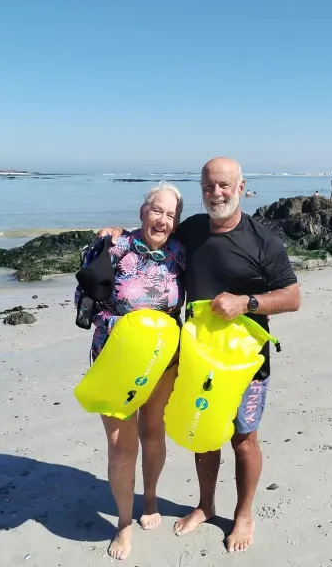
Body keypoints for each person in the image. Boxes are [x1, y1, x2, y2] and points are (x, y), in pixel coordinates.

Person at [98, 157, 301, 553]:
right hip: (198, 355)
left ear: (241, 187)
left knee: (243, 438)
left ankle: (244, 514)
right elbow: (154, 234)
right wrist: (116, 233)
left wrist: (246, 302)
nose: (216, 193)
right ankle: (206, 505)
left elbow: (292, 297)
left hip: (246, 360)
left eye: (224, 185)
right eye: (209, 186)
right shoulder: (191, 230)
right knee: (204, 433)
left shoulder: (263, 240)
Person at [80, 182, 186, 560]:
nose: (162, 220)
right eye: (157, 210)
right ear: (143, 212)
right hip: (116, 358)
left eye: (171, 215)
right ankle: (124, 523)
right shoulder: (114, 247)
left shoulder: (180, 254)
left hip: (163, 360)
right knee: (121, 446)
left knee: (153, 432)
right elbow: (84, 299)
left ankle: (150, 498)